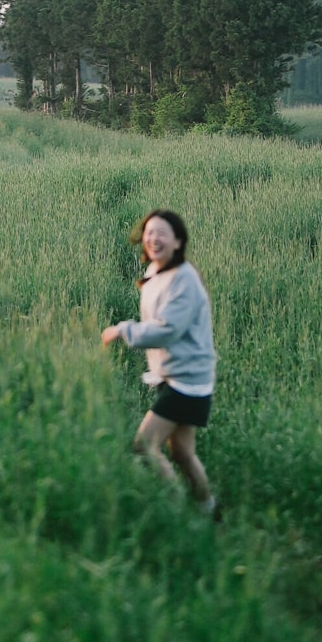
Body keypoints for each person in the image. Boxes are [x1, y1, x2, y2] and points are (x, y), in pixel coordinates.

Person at [101, 206, 217, 513]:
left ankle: (176, 510)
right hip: (177, 375)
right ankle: (210, 513)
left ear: (178, 242)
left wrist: (123, 331)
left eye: (162, 233)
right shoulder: (157, 271)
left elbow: (168, 330)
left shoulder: (184, 280)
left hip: (187, 381)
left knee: (144, 444)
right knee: (182, 452)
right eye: (149, 232)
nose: (153, 238)